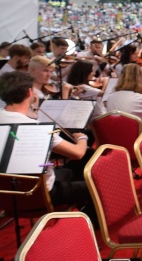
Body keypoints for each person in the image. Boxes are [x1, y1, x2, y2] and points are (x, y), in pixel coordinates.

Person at [0, 71, 92, 210]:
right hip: (42, 193)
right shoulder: (38, 128)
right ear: (29, 92)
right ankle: (88, 220)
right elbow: (77, 153)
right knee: (97, 183)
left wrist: (34, 113)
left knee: (69, 171)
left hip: (5, 193)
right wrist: (82, 138)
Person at [105, 63, 142, 129]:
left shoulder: (110, 97)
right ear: (140, 79)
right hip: (140, 137)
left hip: (117, 136)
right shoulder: (140, 98)